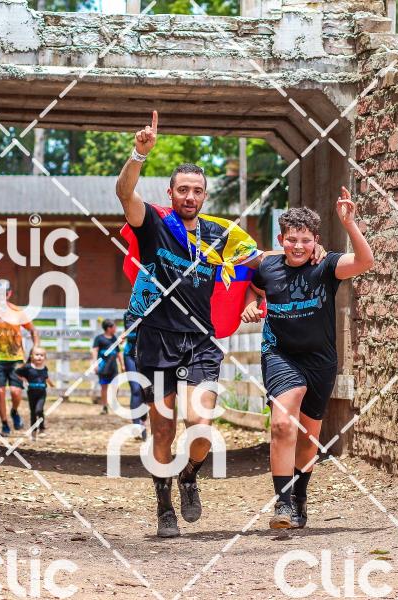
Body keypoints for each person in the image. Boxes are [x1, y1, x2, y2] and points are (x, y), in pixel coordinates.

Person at [115, 111, 325, 538]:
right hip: (156, 338)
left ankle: (189, 475)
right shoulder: (154, 224)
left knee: (201, 425)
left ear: (205, 196)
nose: (190, 196)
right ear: (170, 192)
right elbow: (124, 193)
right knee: (162, 427)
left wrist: (309, 251)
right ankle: (164, 507)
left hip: (201, 339)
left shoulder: (221, 233)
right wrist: (139, 154)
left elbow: (260, 262)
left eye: (197, 191)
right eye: (183, 189)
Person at [241, 187, 374, 529]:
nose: (297, 246)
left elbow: (365, 262)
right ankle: (282, 504)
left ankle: (299, 497)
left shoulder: (326, 266)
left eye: (305, 240)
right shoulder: (267, 267)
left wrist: (349, 223)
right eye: (291, 239)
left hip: (320, 361)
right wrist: (251, 305)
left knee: (308, 435)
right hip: (279, 354)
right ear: (280, 239)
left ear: (316, 241)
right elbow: (250, 284)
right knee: (283, 423)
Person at [0, 279, 40, 436]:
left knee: (15, 392)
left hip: (16, 358)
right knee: (0, 391)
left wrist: (36, 347)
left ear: (9, 293)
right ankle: (5, 423)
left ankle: (14, 411)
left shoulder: (16, 311)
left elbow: (33, 330)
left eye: (5, 293)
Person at [14, 346, 55, 439]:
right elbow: (17, 372)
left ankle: (42, 428)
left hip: (42, 393)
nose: (39, 357)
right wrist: (24, 380)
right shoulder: (28, 367)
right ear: (32, 356)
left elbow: (46, 377)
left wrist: (51, 384)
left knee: (39, 410)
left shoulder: (44, 368)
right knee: (33, 412)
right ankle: (33, 430)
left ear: (45, 357)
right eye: (37, 355)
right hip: (31, 392)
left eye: (42, 355)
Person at [122, 310, 147, 441]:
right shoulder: (128, 314)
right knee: (136, 389)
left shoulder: (152, 312)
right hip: (130, 355)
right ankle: (137, 425)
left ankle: (143, 419)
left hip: (147, 355)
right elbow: (130, 333)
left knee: (146, 389)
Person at [91, 319, 125, 415]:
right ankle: (104, 406)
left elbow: (118, 352)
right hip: (103, 367)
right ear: (109, 328)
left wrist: (122, 364)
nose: (115, 329)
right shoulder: (99, 338)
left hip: (113, 366)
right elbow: (94, 351)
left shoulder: (114, 339)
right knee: (104, 387)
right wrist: (95, 364)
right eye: (114, 327)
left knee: (116, 386)